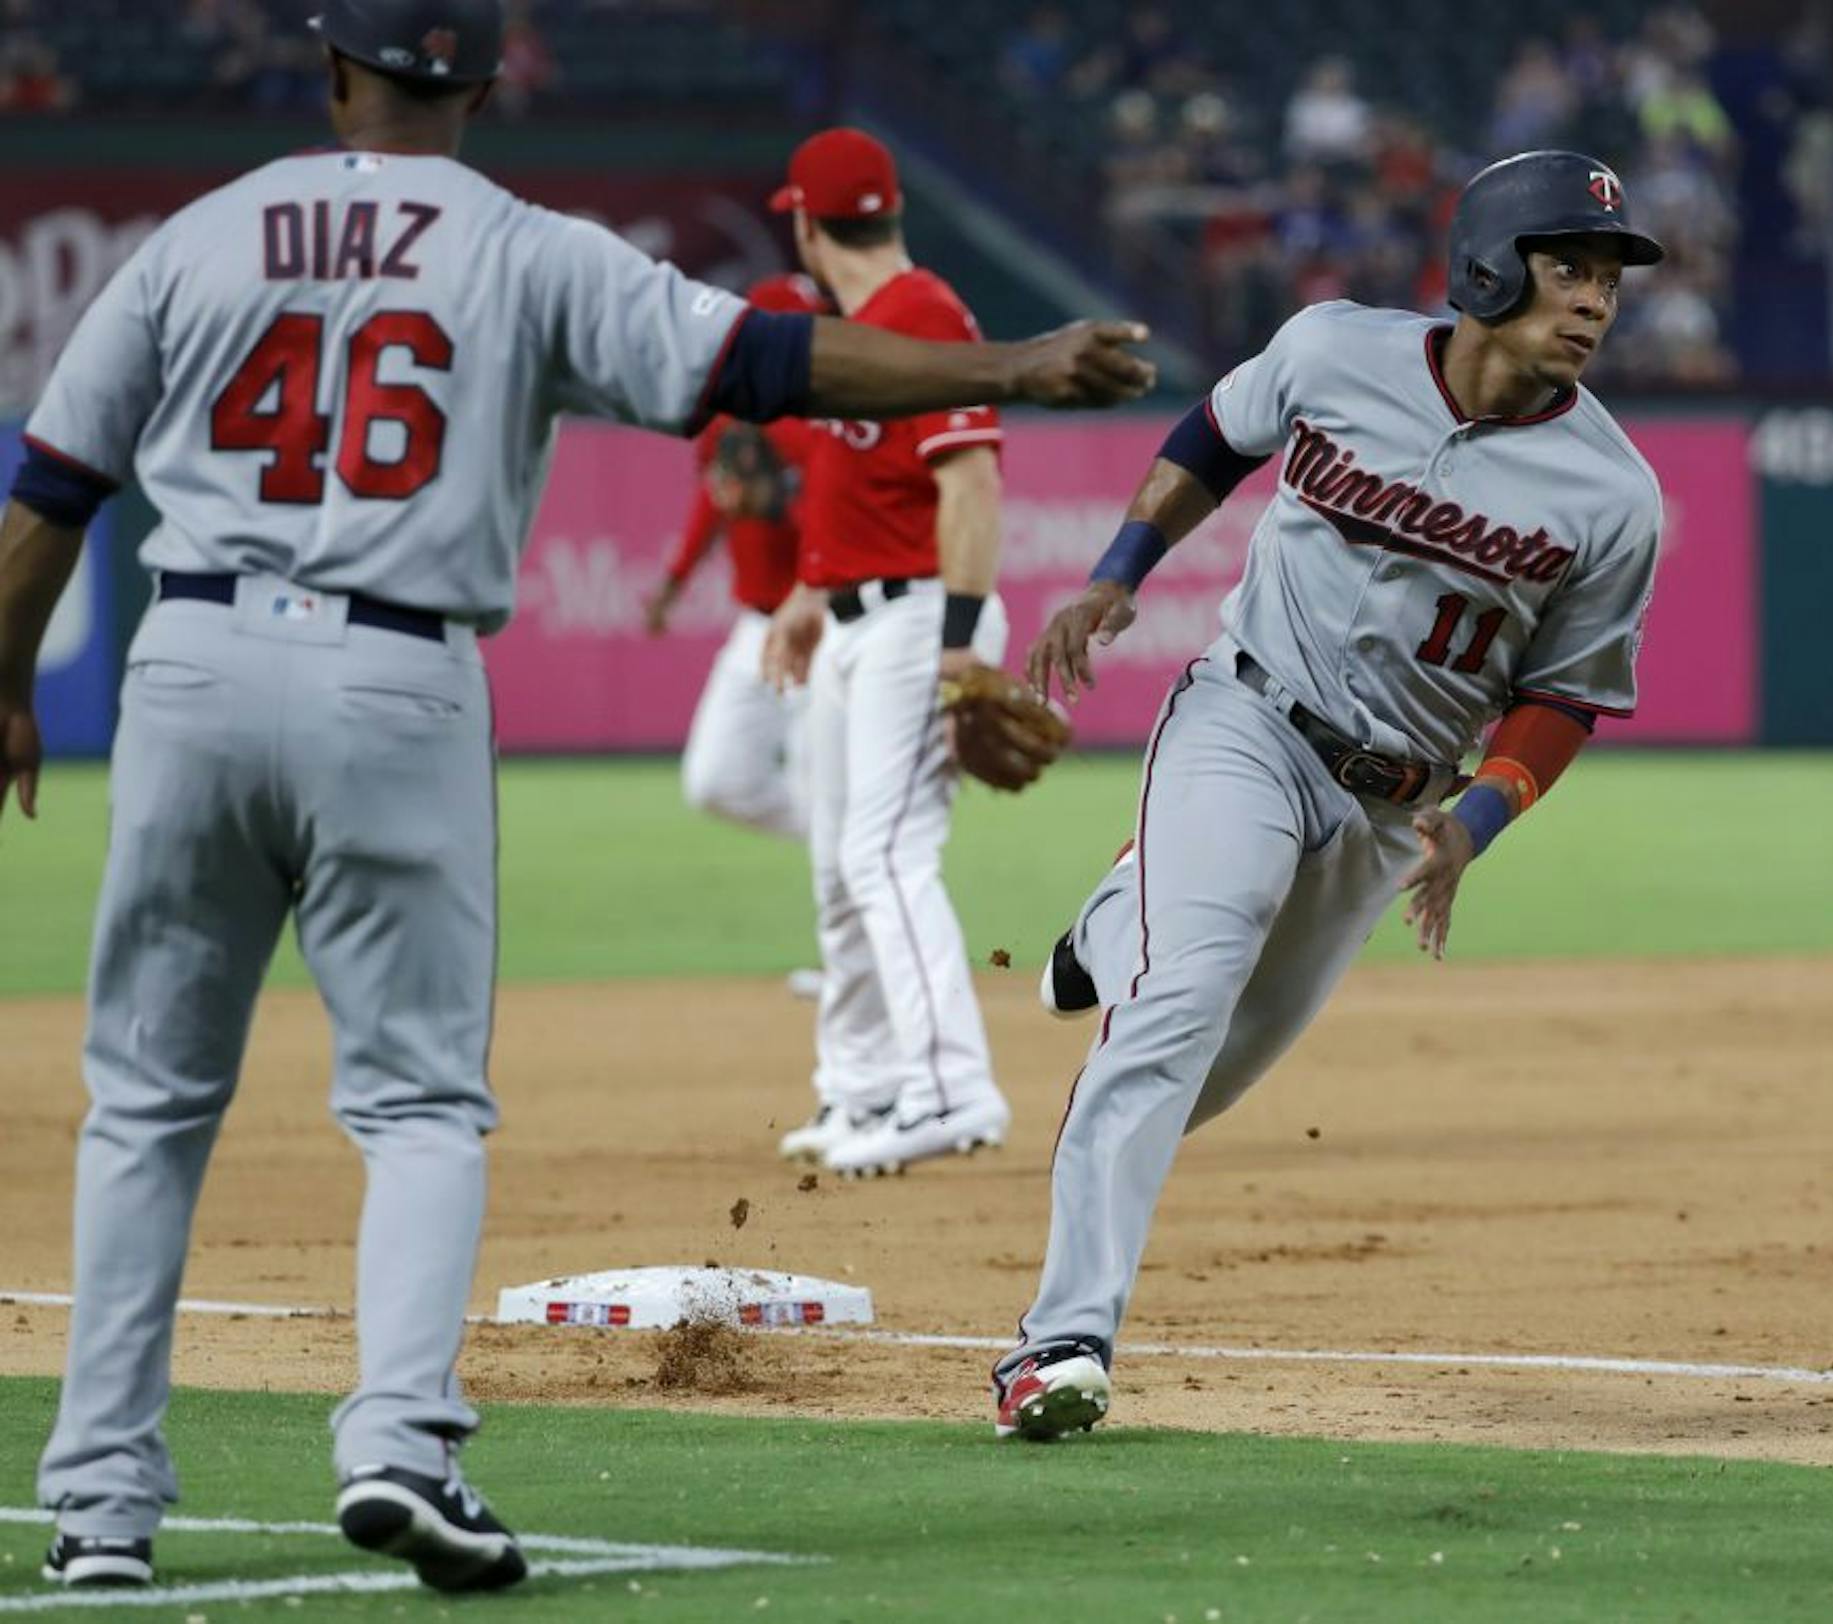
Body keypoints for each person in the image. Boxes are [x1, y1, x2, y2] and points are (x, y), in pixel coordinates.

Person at [0, 1, 1152, 1590]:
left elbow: (53, 487)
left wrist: (5, 678)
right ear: (480, 82)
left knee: (144, 1107)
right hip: (399, 675)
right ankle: (399, 1446)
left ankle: (102, 1513)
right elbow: (766, 359)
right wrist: (1007, 359)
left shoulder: (201, 233)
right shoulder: (522, 245)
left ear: (332, 75)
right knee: (415, 1106)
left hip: (189, 663)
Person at [992, 150, 1664, 1440]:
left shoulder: (1612, 494)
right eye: (1566, 265)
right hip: (1248, 718)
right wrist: (1119, 571)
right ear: (1486, 266)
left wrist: (1474, 826)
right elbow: (1218, 432)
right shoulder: (1334, 351)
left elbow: (1569, 694)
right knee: (1177, 1005)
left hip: (1394, 808)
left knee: (1214, 1074)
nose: (1592, 299)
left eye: (1609, 279)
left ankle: (1108, 925)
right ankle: (1059, 1343)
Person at [758, 129, 1016, 1179]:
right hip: (854, 620)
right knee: (836, 863)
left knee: (885, 854)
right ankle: (862, 1088)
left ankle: (954, 1088)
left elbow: (973, 488)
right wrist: (806, 596)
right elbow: (876, 496)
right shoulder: (858, 325)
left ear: (809, 226)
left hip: (921, 621)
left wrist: (959, 648)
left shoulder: (923, 317)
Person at [645, 272, 828, 845]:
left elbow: (839, 525)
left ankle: (852, 851)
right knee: (715, 779)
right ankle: (845, 842)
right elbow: (712, 502)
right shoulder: (728, 414)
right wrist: (675, 579)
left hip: (827, 621)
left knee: (821, 779)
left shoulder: (825, 421)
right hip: (760, 623)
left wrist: (778, 504)